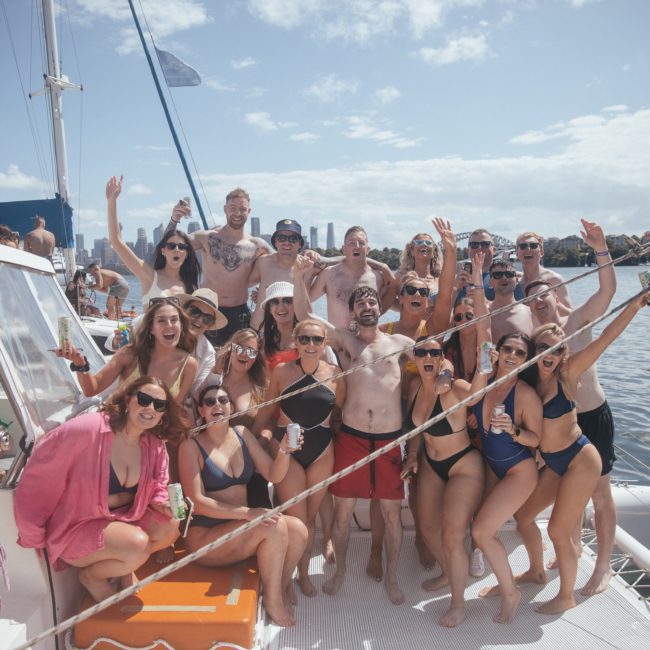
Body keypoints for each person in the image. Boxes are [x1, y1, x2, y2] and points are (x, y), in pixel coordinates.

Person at [512, 290, 649, 615]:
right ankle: (536, 570)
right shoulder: (529, 380)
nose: (549, 354)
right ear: (534, 350)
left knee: (560, 529)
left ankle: (566, 595)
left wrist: (635, 305)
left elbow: (607, 337)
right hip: (555, 463)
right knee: (523, 516)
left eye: (556, 349)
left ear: (563, 353)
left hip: (579, 460)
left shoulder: (569, 372)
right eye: (542, 348)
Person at [14, 376, 188, 602]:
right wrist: (33, 535)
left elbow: (159, 487)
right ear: (127, 399)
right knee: (138, 545)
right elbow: (39, 479)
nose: (150, 408)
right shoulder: (88, 429)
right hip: (76, 527)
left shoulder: (153, 445)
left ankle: (123, 566)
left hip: (122, 522)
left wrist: (165, 505)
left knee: (170, 528)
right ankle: (92, 576)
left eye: (159, 405)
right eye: (144, 399)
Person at [524, 219, 617, 595]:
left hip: (592, 416)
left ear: (555, 294)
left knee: (601, 493)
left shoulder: (576, 321)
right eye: (531, 297)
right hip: (561, 425)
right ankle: (574, 548)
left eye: (544, 293)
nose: (539, 300)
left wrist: (600, 248)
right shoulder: (534, 343)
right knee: (569, 493)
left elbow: (608, 293)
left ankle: (605, 565)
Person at [179, 384, 308, 628]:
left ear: (230, 405)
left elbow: (273, 474)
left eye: (223, 399)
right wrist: (248, 513)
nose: (218, 405)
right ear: (201, 410)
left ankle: (277, 586)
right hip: (206, 539)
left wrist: (284, 452)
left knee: (299, 530)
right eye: (210, 402)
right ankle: (273, 600)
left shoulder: (242, 434)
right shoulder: (191, 446)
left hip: (239, 530)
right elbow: (197, 502)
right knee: (273, 526)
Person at [401, 333, 489, 628]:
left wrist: (484, 359)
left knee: (452, 535)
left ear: (441, 359)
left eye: (434, 353)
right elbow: (415, 430)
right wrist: (412, 454)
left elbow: (476, 395)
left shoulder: (454, 388)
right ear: (415, 357)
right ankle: (450, 572)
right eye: (422, 353)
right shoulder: (414, 387)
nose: (428, 358)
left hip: (464, 465)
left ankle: (458, 603)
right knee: (426, 528)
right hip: (432, 464)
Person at [254, 319, 345, 598]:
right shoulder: (281, 372)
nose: (310, 345)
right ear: (295, 342)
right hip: (287, 451)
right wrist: (256, 441)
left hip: (321, 451)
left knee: (311, 518)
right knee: (299, 518)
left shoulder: (335, 373)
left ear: (324, 344)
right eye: (304, 339)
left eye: (317, 340)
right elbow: (267, 412)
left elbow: (339, 415)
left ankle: (303, 575)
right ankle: (283, 581)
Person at [470, 333, 543, 624]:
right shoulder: (486, 382)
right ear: (497, 352)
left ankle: (511, 592)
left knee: (481, 532)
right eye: (508, 349)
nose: (512, 355)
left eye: (520, 353)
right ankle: (507, 582)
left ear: (526, 360)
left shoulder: (525, 394)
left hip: (518, 472)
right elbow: (470, 402)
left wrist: (513, 430)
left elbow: (536, 439)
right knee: (485, 529)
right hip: (492, 466)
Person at [167, 187, 272, 346]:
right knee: (198, 361)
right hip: (206, 312)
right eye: (233, 208)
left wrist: (267, 293)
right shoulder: (206, 238)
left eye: (242, 209)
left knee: (236, 364)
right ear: (225, 209)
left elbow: (281, 265)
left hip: (239, 314)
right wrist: (174, 220)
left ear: (248, 211)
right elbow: (169, 246)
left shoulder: (258, 245)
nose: (237, 213)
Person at [59, 297, 198, 405]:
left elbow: (174, 410)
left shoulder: (189, 364)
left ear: (181, 326)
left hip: (155, 436)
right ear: (151, 329)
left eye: (174, 320)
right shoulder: (130, 354)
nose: (169, 325)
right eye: (161, 321)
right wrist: (79, 363)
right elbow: (91, 390)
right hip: (118, 428)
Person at [106, 176, 201, 306]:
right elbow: (116, 242)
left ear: (186, 253)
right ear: (163, 251)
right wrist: (112, 201)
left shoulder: (191, 286)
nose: (177, 249)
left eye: (182, 247)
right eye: (171, 246)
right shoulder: (149, 276)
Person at [213, 328, 271, 509]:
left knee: (262, 513)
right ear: (231, 349)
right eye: (240, 348)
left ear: (256, 357)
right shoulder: (215, 381)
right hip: (214, 459)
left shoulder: (262, 389)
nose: (244, 355)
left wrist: (259, 445)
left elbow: (269, 425)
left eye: (251, 351)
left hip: (249, 461)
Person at [307, 225, 394, 329]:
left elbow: (389, 302)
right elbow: (306, 300)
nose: (356, 246)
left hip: (365, 342)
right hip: (337, 342)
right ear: (344, 249)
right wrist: (310, 273)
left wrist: (384, 267)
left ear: (368, 249)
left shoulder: (378, 278)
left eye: (361, 243)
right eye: (351, 243)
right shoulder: (329, 274)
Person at [249, 219, 309, 330]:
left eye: (293, 239)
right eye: (282, 238)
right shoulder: (263, 262)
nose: (287, 243)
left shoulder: (306, 267)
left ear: (300, 243)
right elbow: (241, 285)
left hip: (289, 336)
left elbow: (308, 309)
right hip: (258, 331)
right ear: (276, 242)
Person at [516, 231, 571, 309]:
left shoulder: (554, 280)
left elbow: (568, 314)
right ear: (517, 253)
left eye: (533, 246)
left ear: (541, 252)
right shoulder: (514, 283)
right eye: (523, 246)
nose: (528, 249)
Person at [392, 232, 442, 308]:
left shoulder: (440, 278)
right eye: (419, 242)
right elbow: (387, 301)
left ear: (433, 253)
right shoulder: (401, 277)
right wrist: (406, 309)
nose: (424, 244)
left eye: (429, 243)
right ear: (412, 251)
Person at [488, 259, 533, 343]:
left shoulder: (531, 313)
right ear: (490, 282)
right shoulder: (483, 313)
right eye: (498, 275)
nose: (504, 278)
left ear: (516, 280)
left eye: (509, 274)